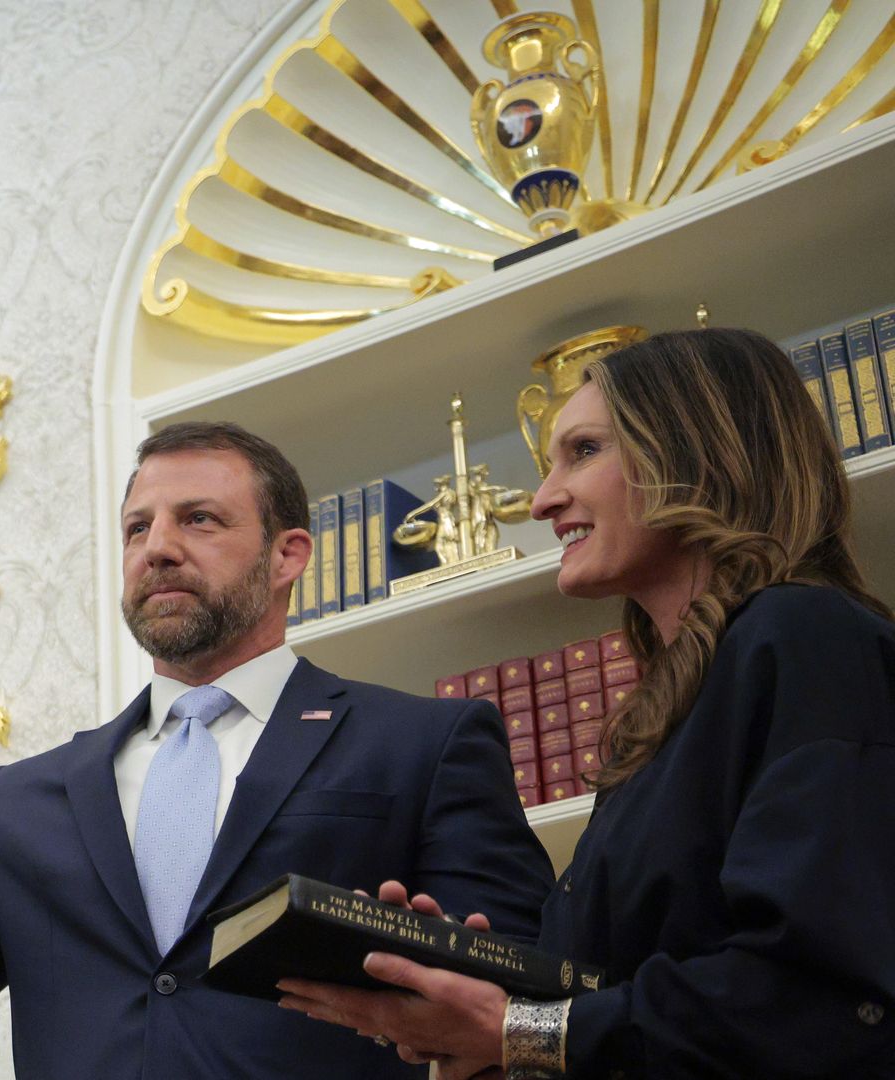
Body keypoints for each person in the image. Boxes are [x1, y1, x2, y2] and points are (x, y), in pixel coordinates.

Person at [0, 422, 555, 1078]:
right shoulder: (20, 803)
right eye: (138, 528)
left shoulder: (427, 743)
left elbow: (516, 1003)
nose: (157, 546)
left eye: (198, 519)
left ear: (287, 556)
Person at [274, 328, 895, 1078]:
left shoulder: (807, 638)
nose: (542, 500)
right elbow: (623, 1005)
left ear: (697, 453)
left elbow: (823, 996)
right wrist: (468, 994)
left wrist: (518, 1030)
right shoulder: (658, 724)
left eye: (585, 451)